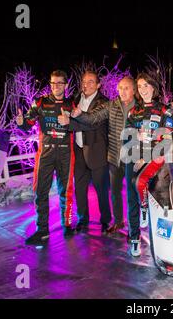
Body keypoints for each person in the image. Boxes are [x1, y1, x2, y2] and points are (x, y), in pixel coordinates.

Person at [63, 77, 138, 235]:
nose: (122, 91)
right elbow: (93, 118)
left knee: (134, 195)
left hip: (134, 157)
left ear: (134, 90)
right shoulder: (112, 105)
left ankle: (135, 228)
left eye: (126, 88)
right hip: (114, 156)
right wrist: (79, 114)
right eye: (120, 88)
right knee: (115, 193)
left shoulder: (140, 107)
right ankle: (118, 222)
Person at [16, 70, 76, 245]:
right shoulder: (40, 102)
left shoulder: (72, 104)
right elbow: (27, 124)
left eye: (59, 83)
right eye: (52, 83)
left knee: (66, 191)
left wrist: (72, 120)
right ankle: (42, 230)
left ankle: (68, 226)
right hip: (46, 154)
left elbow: (81, 124)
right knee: (40, 191)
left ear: (65, 85)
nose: (55, 86)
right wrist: (21, 122)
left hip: (66, 153)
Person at [125, 72, 173, 257]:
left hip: (157, 162)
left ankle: (164, 246)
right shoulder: (133, 112)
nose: (143, 89)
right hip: (135, 160)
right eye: (140, 86)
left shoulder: (165, 110)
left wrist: (148, 156)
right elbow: (126, 139)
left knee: (162, 203)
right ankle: (134, 239)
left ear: (153, 86)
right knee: (132, 200)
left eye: (146, 85)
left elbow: (167, 139)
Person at [58, 71, 111, 234]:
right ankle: (83, 219)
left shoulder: (104, 102)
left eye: (90, 82)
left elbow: (92, 123)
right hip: (79, 150)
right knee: (80, 189)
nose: (86, 85)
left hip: (97, 151)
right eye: (83, 81)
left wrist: (69, 124)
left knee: (101, 189)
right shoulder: (76, 99)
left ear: (98, 85)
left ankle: (105, 221)